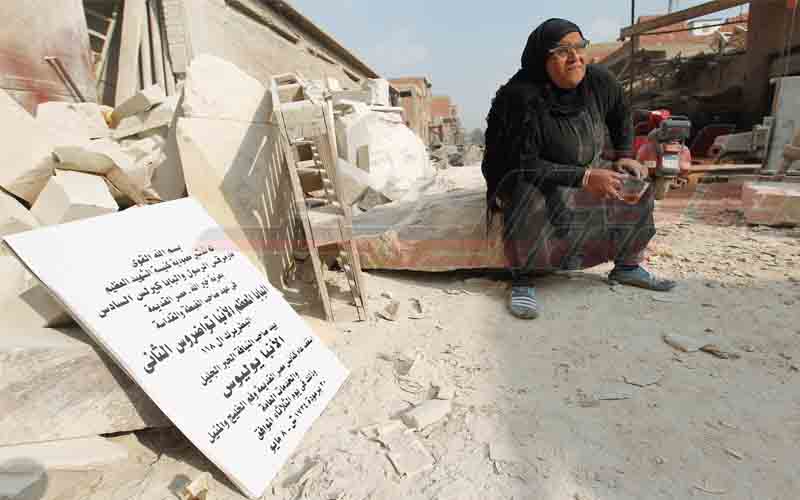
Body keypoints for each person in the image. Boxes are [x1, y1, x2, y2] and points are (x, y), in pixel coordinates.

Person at [481, 18, 676, 320]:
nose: (575, 57)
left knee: (633, 182)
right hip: (528, 172)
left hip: (582, 167)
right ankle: (523, 279)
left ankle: (627, 266)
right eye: (562, 51)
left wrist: (625, 154)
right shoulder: (520, 98)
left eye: (580, 46)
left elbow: (620, 112)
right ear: (542, 58)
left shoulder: (598, 81)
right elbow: (521, 162)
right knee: (525, 197)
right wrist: (584, 177)